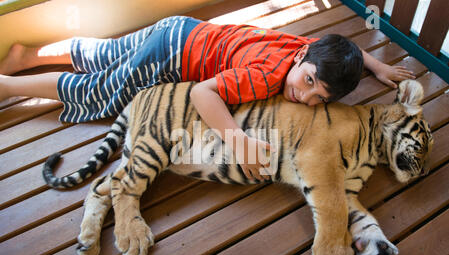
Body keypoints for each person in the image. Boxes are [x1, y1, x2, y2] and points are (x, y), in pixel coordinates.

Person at [0, 16, 414, 181]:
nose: (301, 95)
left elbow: (347, 49)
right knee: (99, 92)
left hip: (180, 29)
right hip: (172, 56)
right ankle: (9, 86)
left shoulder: (309, 49)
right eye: (307, 82)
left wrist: (375, 68)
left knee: (106, 53)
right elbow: (203, 92)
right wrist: (237, 138)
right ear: (304, 58)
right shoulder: (267, 76)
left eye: (316, 98)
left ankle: (27, 55)